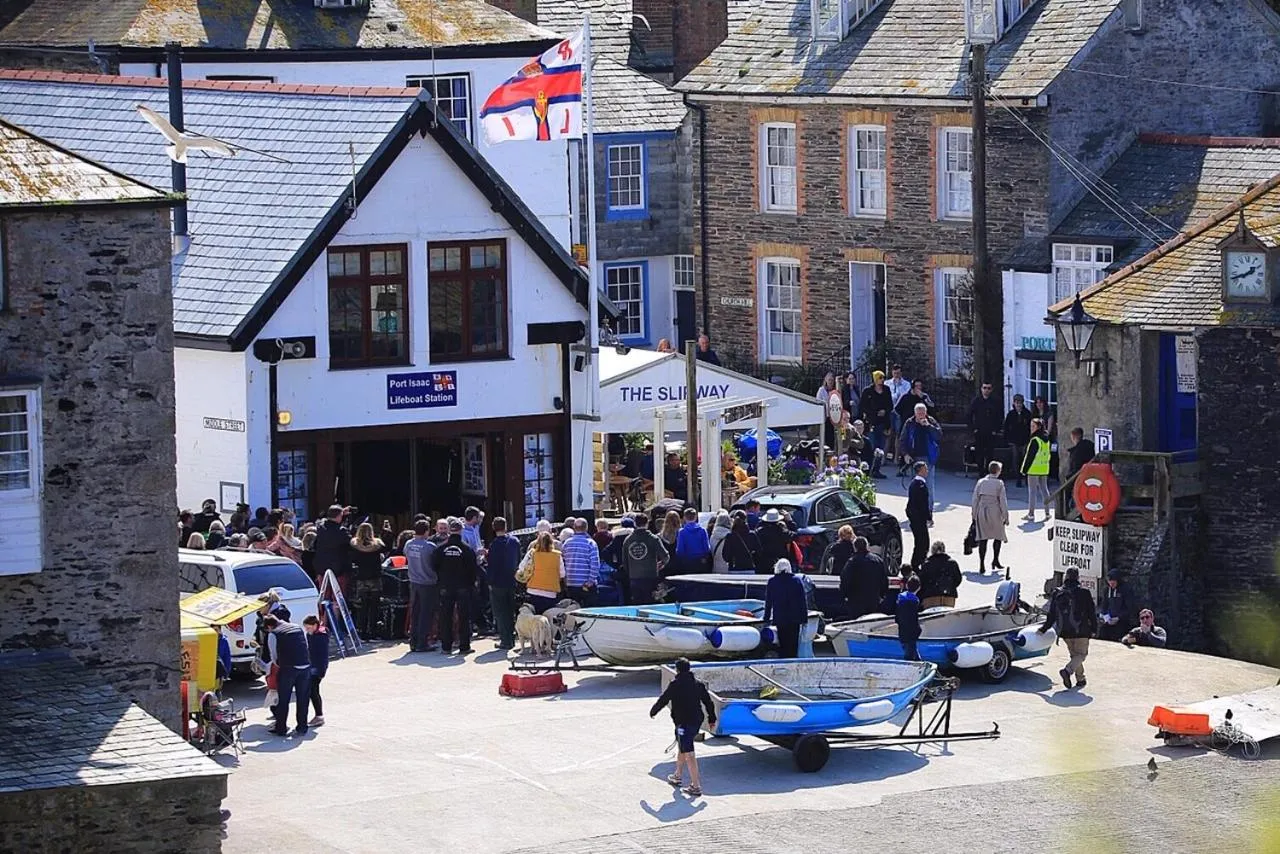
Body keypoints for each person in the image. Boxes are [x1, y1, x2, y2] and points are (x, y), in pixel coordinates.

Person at [649, 657, 717, 798]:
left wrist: (653, 711)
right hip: (696, 721)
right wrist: (712, 719)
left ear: (677, 670)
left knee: (689, 753)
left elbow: (664, 699)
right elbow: (708, 702)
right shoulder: (698, 684)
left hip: (683, 723)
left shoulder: (675, 685)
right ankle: (677, 775)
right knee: (683, 746)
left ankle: (695, 786)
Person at [1038, 566, 1099, 689]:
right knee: (1081, 655)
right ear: (1077, 577)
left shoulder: (1057, 592)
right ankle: (1067, 671)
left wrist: (1043, 629)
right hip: (1081, 630)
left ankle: (1081, 679)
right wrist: (1094, 629)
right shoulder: (1084, 592)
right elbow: (1091, 613)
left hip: (1065, 631)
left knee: (1075, 656)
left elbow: (1052, 614)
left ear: (1065, 577)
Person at [432, 519, 478, 655]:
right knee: (464, 616)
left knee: (445, 616)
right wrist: (471, 584)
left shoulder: (440, 549)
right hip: (463, 586)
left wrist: (441, 579)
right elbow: (473, 569)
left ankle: (446, 646)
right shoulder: (467, 549)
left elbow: (434, 565)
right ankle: (464, 646)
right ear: (461, 530)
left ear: (449, 530)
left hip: (445, 586)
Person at [263, 614, 311, 737]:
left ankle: (281, 728)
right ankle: (302, 728)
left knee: (283, 700)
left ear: (269, 626)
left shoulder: (274, 634)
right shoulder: (297, 627)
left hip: (288, 669)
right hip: (305, 666)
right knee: (303, 699)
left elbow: (274, 656)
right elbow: (306, 645)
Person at [614, 512, 668, 603]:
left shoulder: (628, 540)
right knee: (650, 603)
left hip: (634, 578)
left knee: (637, 603)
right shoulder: (653, 539)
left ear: (635, 523)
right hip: (650, 577)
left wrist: (631, 573)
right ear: (647, 523)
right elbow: (665, 557)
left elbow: (625, 562)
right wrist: (661, 564)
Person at [403, 520, 439, 653]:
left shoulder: (408, 544)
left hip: (414, 581)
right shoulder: (430, 546)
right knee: (426, 613)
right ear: (426, 531)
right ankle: (422, 643)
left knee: (415, 612)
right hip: (428, 582)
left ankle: (413, 641)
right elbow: (436, 563)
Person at [486, 517, 521, 651]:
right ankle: (511, 638)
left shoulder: (494, 545)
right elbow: (518, 559)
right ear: (505, 527)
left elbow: (492, 565)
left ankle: (505, 640)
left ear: (493, 528)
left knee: (500, 612)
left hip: (497, 582)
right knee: (510, 610)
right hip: (511, 580)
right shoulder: (514, 541)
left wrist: (489, 581)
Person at [970, 460, 1010, 574]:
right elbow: (1003, 501)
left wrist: (974, 514)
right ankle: (995, 560)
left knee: (983, 538)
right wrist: (1006, 516)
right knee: (998, 536)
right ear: (998, 471)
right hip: (995, 512)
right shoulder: (999, 484)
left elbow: (975, 499)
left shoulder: (981, 482)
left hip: (982, 511)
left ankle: (982, 564)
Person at [899, 402, 942, 503]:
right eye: (919, 413)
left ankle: (929, 509)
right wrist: (905, 454)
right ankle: (915, 508)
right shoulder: (910, 422)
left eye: (923, 413)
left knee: (928, 485)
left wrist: (928, 426)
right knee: (915, 485)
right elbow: (903, 439)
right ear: (915, 413)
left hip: (928, 457)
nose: (921, 416)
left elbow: (938, 435)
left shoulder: (931, 421)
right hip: (914, 457)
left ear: (926, 413)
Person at [764, 559, 807, 658]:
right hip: (795, 619)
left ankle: (783, 661)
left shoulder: (772, 581)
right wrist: (804, 619)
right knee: (793, 645)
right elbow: (802, 602)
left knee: (783, 645)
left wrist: (766, 618)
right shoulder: (796, 581)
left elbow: (768, 602)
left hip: (780, 618)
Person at [839, 536, 888, 619]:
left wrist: (844, 595)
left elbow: (845, 580)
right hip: (873, 599)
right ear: (867, 546)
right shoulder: (878, 560)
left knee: (856, 622)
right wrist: (882, 595)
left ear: (855, 547)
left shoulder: (852, 562)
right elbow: (884, 579)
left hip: (856, 600)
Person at [522, 530, 565, 612]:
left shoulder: (532, 553)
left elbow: (522, 568)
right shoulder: (557, 555)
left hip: (533, 590)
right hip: (550, 593)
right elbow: (562, 574)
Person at [561, 518, 601, 605]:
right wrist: (590, 581)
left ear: (574, 527)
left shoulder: (566, 543)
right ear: (586, 528)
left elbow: (562, 563)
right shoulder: (591, 543)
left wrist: (565, 580)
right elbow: (595, 564)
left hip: (571, 583)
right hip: (587, 584)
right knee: (589, 609)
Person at [312, 504, 352, 593]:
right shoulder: (341, 531)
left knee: (324, 595)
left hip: (321, 567)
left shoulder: (320, 528)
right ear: (339, 516)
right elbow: (350, 544)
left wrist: (340, 513)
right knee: (338, 596)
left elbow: (324, 521)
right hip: (338, 569)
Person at [1021, 418, 1052, 522]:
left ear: (1038, 427)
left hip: (1033, 469)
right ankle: (1047, 513)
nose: (1031, 428)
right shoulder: (1046, 440)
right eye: (1031, 426)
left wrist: (1024, 470)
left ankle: (1031, 514)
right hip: (1044, 468)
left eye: (1033, 426)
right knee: (1045, 490)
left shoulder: (1035, 440)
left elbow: (1030, 457)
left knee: (1032, 492)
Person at [967, 381, 1003, 471]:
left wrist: (996, 429)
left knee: (990, 453)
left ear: (991, 389)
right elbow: (969, 415)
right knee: (979, 453)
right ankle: (981, 472)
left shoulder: (996, 401)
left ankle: (988, 471)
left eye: (988, 388)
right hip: (979, 431)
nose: (986, 390)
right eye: (984, 388)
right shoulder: (976, 401)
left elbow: (1000, 416)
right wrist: (973, 429)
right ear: (981, 389)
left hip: (991, 432)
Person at [858, 370, 893, 458]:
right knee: (872, 444)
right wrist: (875, 413)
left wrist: (885, 411)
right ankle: (872, 462)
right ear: (875, 379)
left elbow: (890, 405)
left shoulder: (886, 390)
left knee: (881, 445)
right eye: (880, 378)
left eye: (883, 378)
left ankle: (879, 462)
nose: (882, 380)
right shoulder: (867, 391)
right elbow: (863, 406)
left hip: (883, 422)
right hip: (871, 422)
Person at [917, 541, 962, 609]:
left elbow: (921, 581)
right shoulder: (952, 563)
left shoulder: (926, 564)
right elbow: (958, 579)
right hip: (949, 596)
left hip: (930, 596)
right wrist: (950, 586)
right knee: (948, 614)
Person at [302, 614, 328, 727]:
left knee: (313, 691)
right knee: (313, 691)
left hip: (318, 667)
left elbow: (322, 655)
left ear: (315, 625)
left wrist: (321, 670)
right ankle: (318, 715)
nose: (307, 630)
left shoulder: (321, 636)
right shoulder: (310, 634)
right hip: (311, 665)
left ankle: (319, 716)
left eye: (308, 628)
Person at [1003, 394, 1033, 488]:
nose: (1018, 405)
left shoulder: (1027, 414)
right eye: (1017, 402)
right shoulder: (1011, 414)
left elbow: (1030, 427)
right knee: (1016, 459)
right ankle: (1018, 478)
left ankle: (1027, 478)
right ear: (1014, 403)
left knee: (1025, 458)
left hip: (1025, 440)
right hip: (1014, 440)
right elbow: (1006, 427)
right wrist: (1007, 439)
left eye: (1020, 402)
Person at [1097, 568, 1134, 642]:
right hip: (1109, 620)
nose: (1111, 585)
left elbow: (1130, 608)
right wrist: (1105, 616)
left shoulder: (1126, 589)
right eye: (1109, 583)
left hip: (1121, 622)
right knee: (1102, 634)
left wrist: (1118, 618)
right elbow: (1104, 605)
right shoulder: (1107, 590)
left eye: (1113, 583)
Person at [906, 461, 931, 567]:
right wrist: (928, 517)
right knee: (922, 542)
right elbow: (923, 503)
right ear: (920, 471)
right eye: (925, 469)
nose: (927, 471)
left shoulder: (915, 483)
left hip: (915, 516)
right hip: (918, 518)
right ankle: (917, 564)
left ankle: (919, 562)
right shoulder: (919, 485)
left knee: (922, 542)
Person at [754, 508, 793, 573]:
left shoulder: (759, 531)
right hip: (780, 562)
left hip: (762, 562)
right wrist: (790, 521)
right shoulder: (782, 530)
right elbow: (794, 535)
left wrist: (761, 523)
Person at [675, 507, 711, 574]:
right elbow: (707, 548)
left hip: (687, 562)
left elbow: (680, 550)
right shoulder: (703, 531)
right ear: (695, 517)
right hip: (701, 561)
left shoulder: (682, 532)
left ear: (685, 518)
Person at [895, 575, 923, 661]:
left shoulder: (900, 598)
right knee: (910, 656)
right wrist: (918, 630)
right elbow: (914, 619)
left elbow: (897, 616)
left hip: (902, 631)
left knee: (911, 652)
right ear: (919, 588)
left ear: (907, 585)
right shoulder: (915, 601)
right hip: (911, 633)